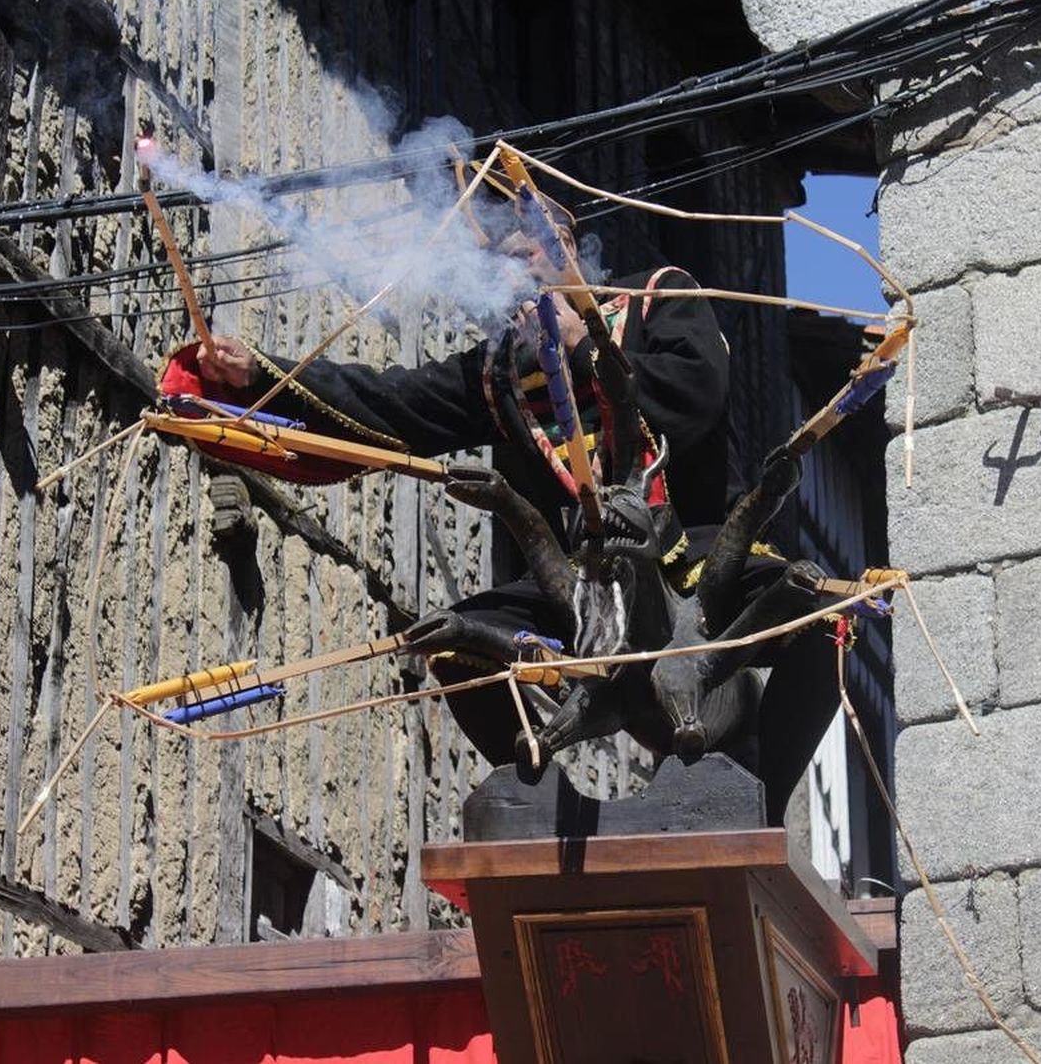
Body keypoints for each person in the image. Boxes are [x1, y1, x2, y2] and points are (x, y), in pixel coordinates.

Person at [185, 223, 829, 823]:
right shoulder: (502, 372)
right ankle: (547, 812)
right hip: (582, 584)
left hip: (694, 554)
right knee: (458, 647)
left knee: (829, 616)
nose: (518, 267)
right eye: (501, 258)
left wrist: (585, 356)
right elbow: (389, 402)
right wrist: (258, 375)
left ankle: (761, 811)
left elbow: (696, 395)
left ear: (569, 245)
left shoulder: (658, 298)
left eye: (532, 248)